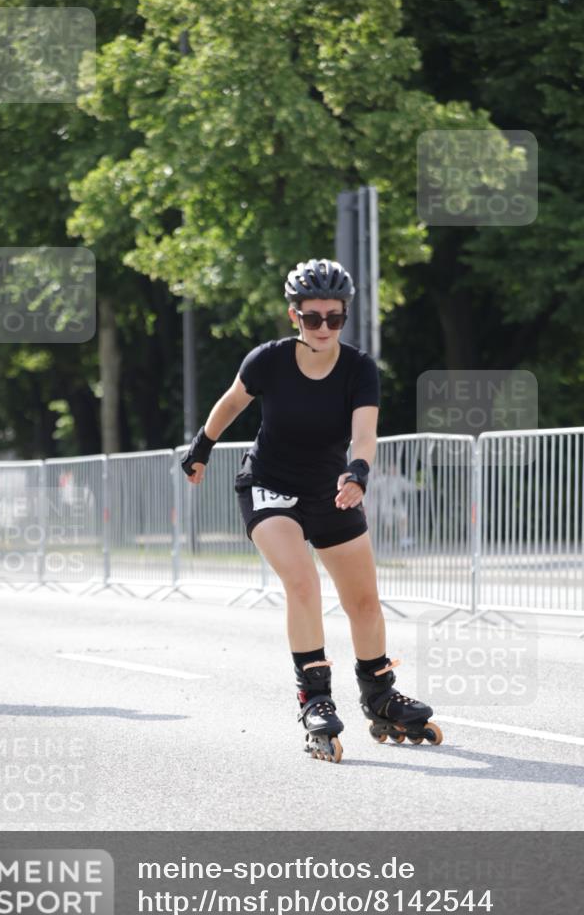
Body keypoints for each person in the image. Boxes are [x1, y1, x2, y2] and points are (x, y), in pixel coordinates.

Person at [181, 258, 442, 763]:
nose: (324, 327)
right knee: (303, 583)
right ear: (293, 316)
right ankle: (315, 698)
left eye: (335, 317)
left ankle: (379, 694)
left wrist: (357, 473)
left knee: (364, 601)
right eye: (313, 317)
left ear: (345, 316)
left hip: (331, 490)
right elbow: (232, 402)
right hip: (269, 487)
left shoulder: (359, 369)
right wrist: (201, 447)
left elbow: (364, 433)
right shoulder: (268, 360)